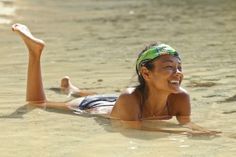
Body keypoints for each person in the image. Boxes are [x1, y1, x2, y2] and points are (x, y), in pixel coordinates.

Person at [12, 23, 220, 135]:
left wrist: (216, 134)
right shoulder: (129, 98)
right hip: (93, 107)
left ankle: (72, 88)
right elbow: (139, 130)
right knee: (37, 104)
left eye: (179, 67)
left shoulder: (181, 97)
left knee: (107, 95)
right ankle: (35, 53)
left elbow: (188, 125)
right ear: (146, 74)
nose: (178, 73)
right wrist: (183, 135)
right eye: (168, 67)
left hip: (117, 100)